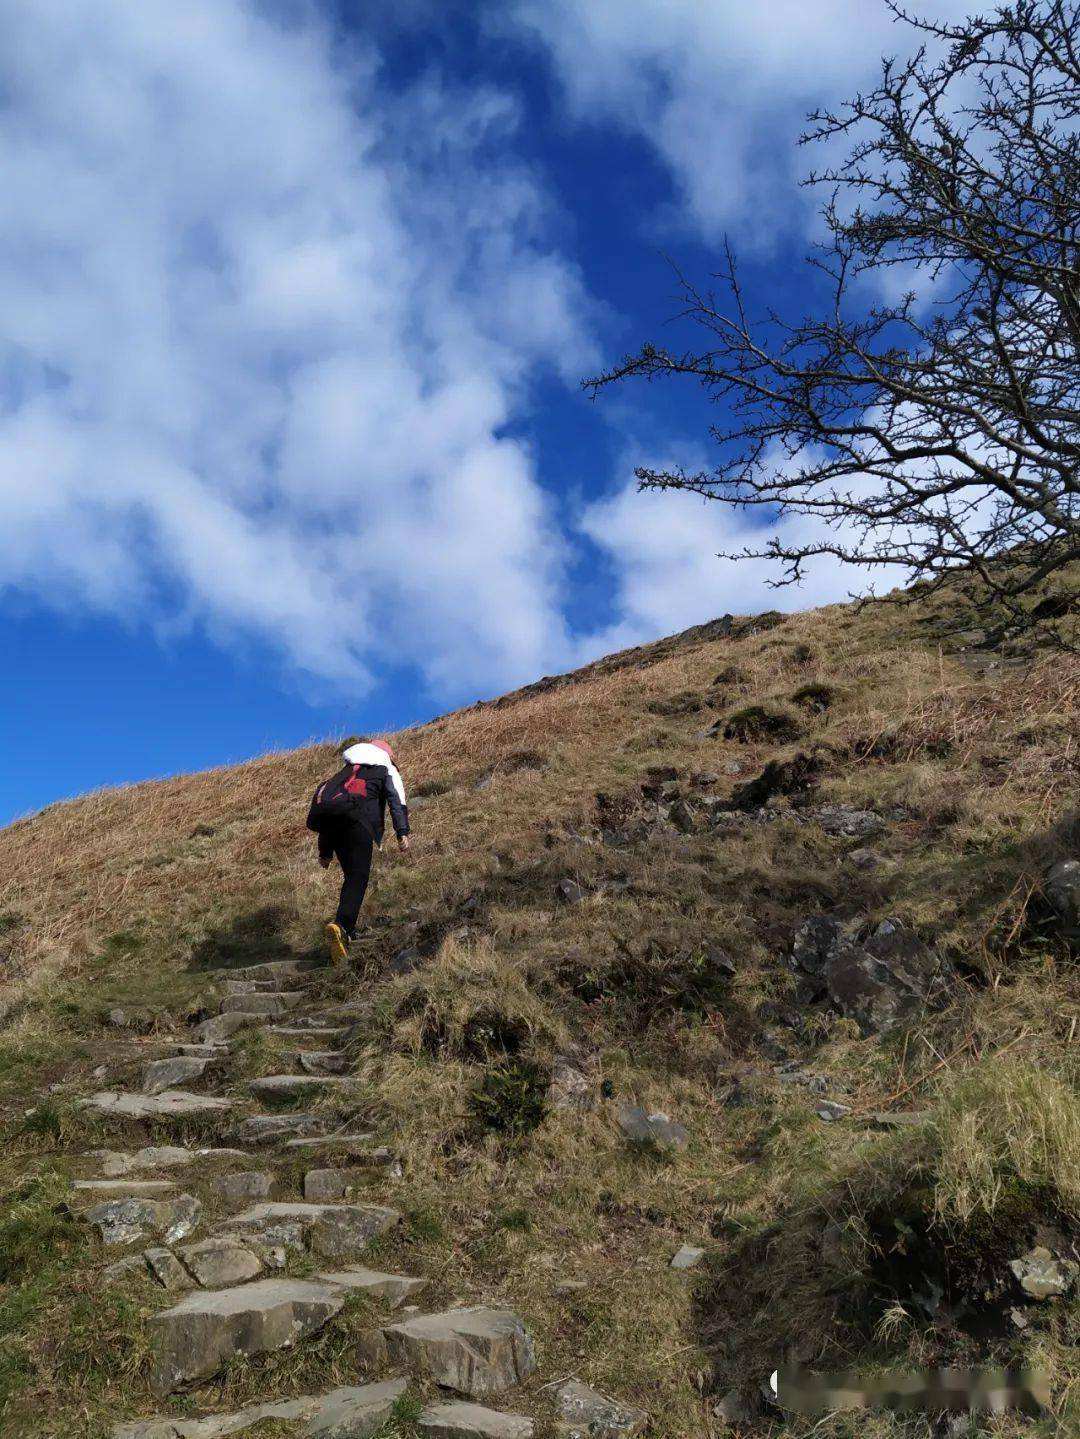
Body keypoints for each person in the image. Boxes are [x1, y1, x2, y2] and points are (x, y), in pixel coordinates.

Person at [307, 738, 410, 962]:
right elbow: (396, 800)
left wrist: (325, 852)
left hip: (334, 829)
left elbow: (332, 811)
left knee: (351, 877)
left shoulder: (343, 773)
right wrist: (402, 832)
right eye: (393, 755)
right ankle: (342, 925)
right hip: (358, 825)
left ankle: (347, 930)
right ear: (385, 754)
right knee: (358, 878)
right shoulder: (385, 768)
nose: (394, 759)